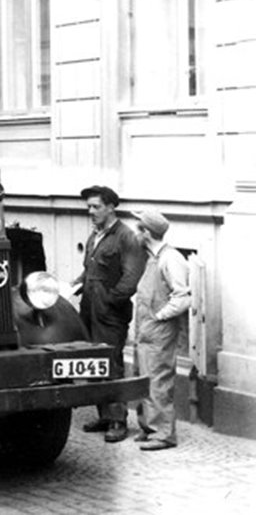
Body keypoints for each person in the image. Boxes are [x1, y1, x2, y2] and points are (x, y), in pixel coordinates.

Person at [73, 185, 146, 443]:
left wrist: (110, 300)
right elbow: (90, 269)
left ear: (111, 207)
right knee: (94, 362)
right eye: (88, 207)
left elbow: (132, 276)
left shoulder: (126, 237)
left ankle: (118, 420)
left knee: (111, 363)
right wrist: (76, 283)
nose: (91, 211)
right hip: (89, 310)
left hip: (110, 314)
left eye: (96, 206)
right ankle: (104, 416)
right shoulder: (95, 235)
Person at [132, 209, 190, 451]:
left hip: (159, 330)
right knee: (143, 377)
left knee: (158, 380)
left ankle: (164, 434)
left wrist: (159, 316)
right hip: (146, 329)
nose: (135, 234)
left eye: (138, 229)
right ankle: (149, 427)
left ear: (146, 232)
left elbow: (183, 298)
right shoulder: (152, 257)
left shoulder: (170, 258)